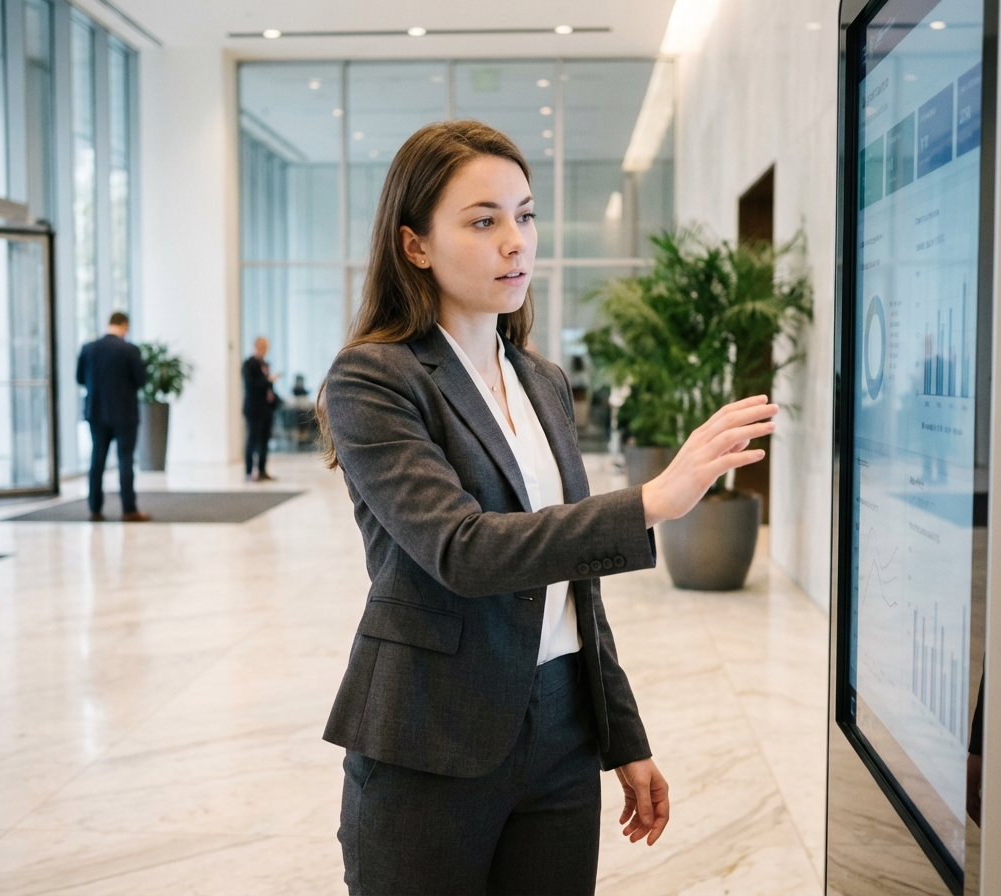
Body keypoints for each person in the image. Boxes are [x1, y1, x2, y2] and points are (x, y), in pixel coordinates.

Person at [318, 120, 778, 896]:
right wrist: (654, 501)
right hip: (431, 734)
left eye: (524, 216)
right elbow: (464, 550)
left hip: (562, 731)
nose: (515, 242)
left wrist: (621, 735)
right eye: (483, 220)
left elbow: (574, 586)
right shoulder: (374, 380)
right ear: (414, 245)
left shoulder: (543, 382)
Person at [76, 311, 149, 522]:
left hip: (96, 412)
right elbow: (141, 380)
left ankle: (95, 508)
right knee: (125, 460)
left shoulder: (88, 349)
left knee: (97, 460)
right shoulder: (129, 350)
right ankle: (128, 509)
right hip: (124, 413)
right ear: (125, 325)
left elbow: (80, 378)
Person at [242, 337, 279, 481]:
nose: (264, 349)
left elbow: (268, 388)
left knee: (264, 440)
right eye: (262, 346)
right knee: (252, 440)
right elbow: (251, 385)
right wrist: (268, 380)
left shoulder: (265, 364)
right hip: (254, 409)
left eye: (266, 346)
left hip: (266, 409)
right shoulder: (248, 364)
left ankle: (262, 470)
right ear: (256, 346)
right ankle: (249, 471)